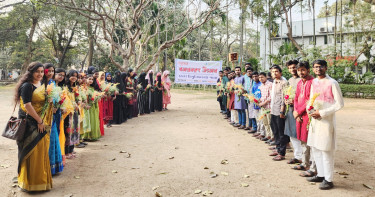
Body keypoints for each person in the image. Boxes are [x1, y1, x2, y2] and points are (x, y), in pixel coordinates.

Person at [306, 60, 344, 190]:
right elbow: (311, 98)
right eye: (315, 67)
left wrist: (322, 113)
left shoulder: (332, 83)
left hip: (326, 120)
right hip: (314, 120)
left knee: (326, 149)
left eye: (320, 66)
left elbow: (339, 104)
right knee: (316, 147)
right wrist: (309, 109)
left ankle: (329, 179)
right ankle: (321, 175)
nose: (318, 69)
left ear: (325, 68)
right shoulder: (314, 82)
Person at [15, 62, 52, 191]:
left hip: (41, 121)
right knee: (31, 152)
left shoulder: (42, 84)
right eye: (37, 71)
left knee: (40, 151)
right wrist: (39, 121)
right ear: (31, 72)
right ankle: (29, 184)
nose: (40, 74)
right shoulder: (27, 86)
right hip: (30, 123)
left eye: (42, 72)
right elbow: (27, 105)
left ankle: (41, 182)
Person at [293, 61, 317, 177]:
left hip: (308, 115)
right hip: (299, 115)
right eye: (299, 70)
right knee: (302, 140)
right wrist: (295, 111)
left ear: (308, 70)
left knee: (310, 140)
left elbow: (309, 100)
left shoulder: (313, 82)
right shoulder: (299, 83)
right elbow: (296, 98)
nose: (301, 72)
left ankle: (312, 166)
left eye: (303, 70)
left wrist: (298, 112)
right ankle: (305, 163)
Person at [43, 63, 64, 175]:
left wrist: (57, 106)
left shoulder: (52, 83)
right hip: (45, 115)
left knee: (54, 137)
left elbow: (56, 98)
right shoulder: (42, 83)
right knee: (48, 139)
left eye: (52, 71)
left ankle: (54, 166)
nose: (50, 73)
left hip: (54, 114)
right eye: (48, 71)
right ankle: (46, 167)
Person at [283, 60, 302, 165]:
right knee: (292, 133)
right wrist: (286, 101)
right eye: (290, 68)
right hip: (290, 109)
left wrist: (294, 100)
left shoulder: (302, 80)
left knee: (300, 133)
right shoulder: (289, 80)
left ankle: (304, 158)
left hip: (299, 110)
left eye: (294, 67)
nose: (292, 70)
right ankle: (297, 156)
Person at [269, 65, 289, 161]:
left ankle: (282, 152)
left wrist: (282, 110)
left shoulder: (284, 82)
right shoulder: (274, 82)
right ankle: (277, 149)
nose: (274, 73)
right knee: (275, 130)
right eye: (273, 72)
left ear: (280, 72)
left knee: (281, 132)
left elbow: (284, 98)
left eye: (276, 71)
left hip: (280, 111)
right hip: (273, 110)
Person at [64, 70, 81, 159]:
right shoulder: (65, 87)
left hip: (75, 111)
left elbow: (78, 97)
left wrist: (79, 101)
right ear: (68, 76)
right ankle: (66, 152)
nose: (74, 77)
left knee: (74, 130)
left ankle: (71, 149)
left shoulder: (75, 86)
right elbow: (65, 99)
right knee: (68, 131)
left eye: (76, 76)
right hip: (68, 112)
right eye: (72, 75)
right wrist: (73, 105)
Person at [257, 72, 273, 142]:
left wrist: (264, 102)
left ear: (266, 77)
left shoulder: (270, 85)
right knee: (265, 122)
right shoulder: (260, 86)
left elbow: (271, 96)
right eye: (259, 77)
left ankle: (273, 137)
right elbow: (260, 96)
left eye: (262, 77)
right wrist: (258, 102)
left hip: (269, 107)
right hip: (263, 107)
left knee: (270, 123)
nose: (260, 79)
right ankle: (268, 136)